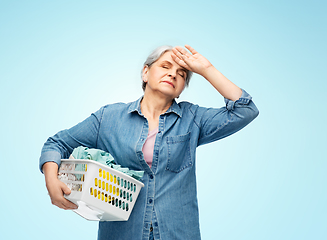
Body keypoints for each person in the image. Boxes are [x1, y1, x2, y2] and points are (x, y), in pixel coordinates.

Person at [39, 44, 259, 240]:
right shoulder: (109, 118)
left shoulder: (193, 119)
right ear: (146, 72)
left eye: (181, 74)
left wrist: (206, 69)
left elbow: (245, 110)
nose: (173, 74)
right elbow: (56, 143)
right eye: (165, 66)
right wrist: (51, 179)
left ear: (183, 87)